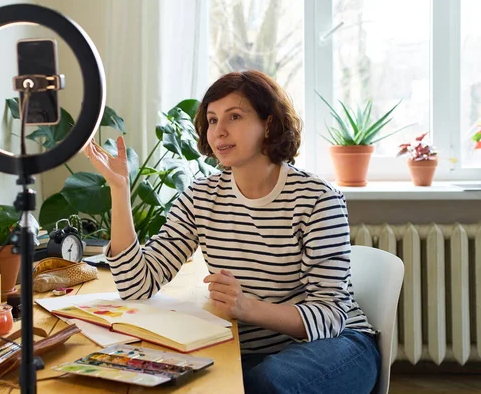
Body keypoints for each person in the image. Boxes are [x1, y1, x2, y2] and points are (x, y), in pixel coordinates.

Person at [84, 70, 380, 394]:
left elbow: (330, 316)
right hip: (250, 351)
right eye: (211, 120)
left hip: (334, 347)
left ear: (268, 124)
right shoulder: (201, 197)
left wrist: (245, 307)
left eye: (234, 116)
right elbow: (136, 284)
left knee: (265, 383)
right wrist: (119, 189)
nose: (219, 131)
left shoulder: (317, 199)